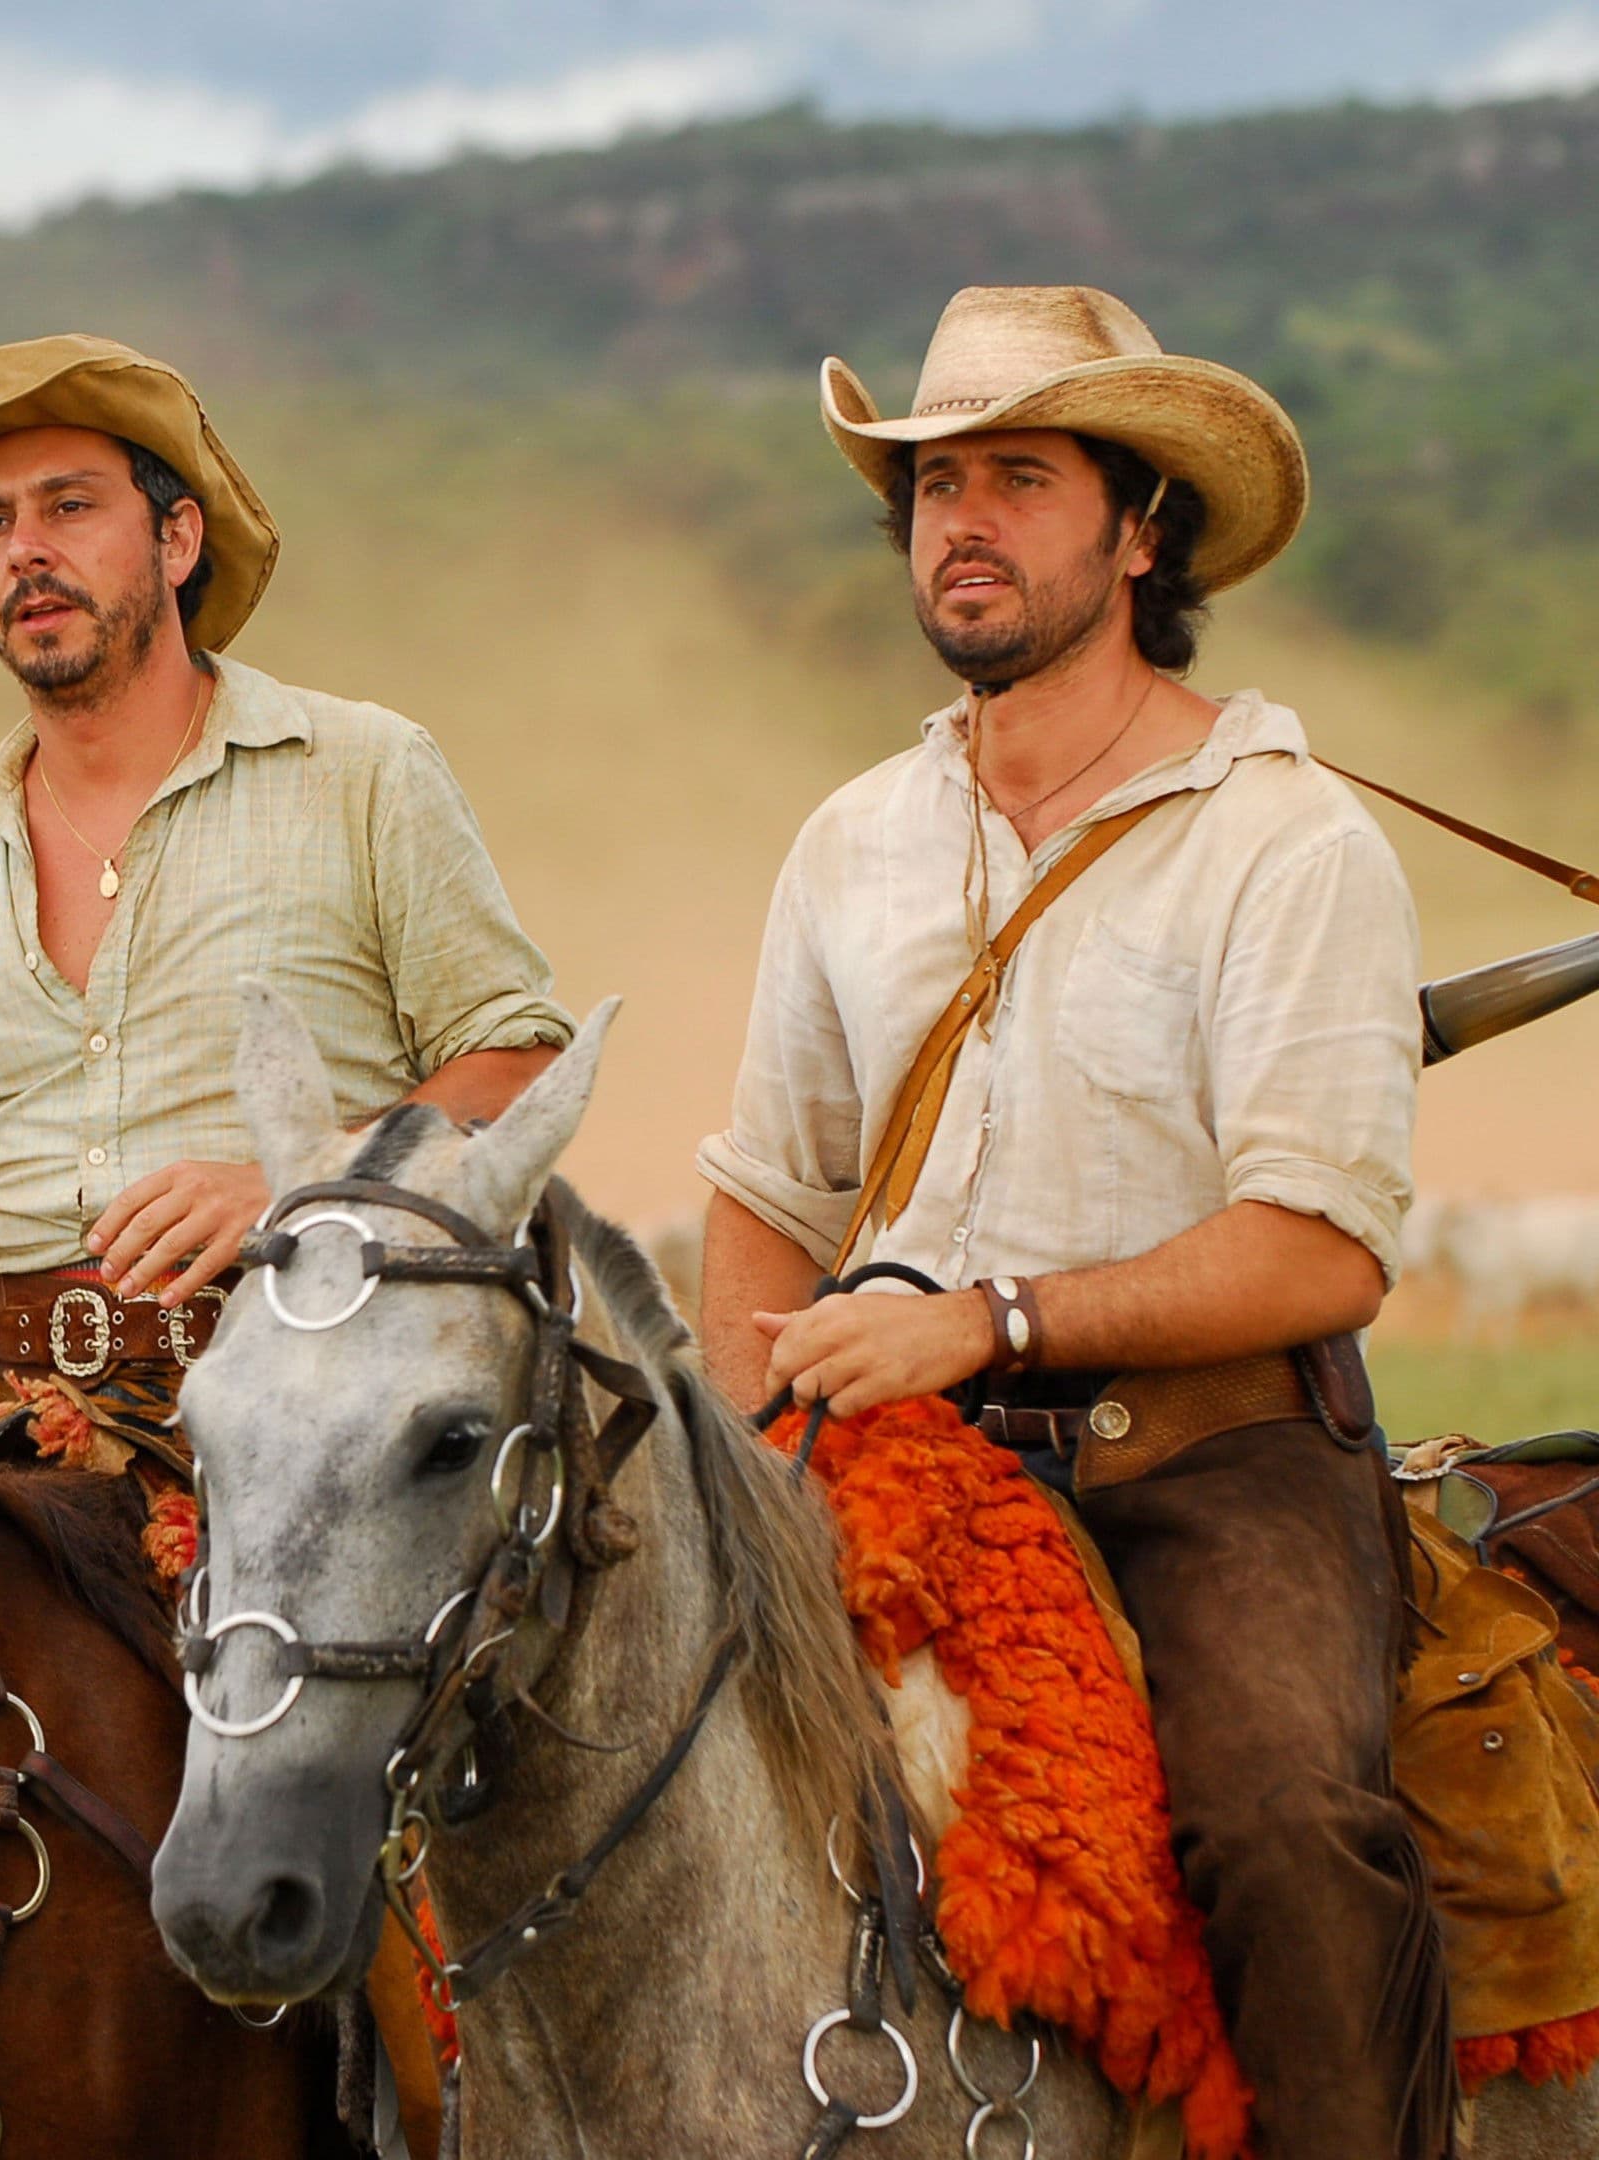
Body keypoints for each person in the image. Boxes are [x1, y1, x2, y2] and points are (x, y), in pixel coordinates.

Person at [694, 286, 1447, 2158]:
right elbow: (769, 1195)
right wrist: (742, 1459)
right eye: (937, 485)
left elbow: (1320, 1248)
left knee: (1287, 1826)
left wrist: (990, 1321)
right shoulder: (853, 839)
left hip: (1210, 1460)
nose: (963, 522)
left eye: (1020, 479)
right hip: (886, 1461)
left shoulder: (1288, 839)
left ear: (1142, 530)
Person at [0, 333, 570, 1485]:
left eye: (70, 506)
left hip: (320, 1411)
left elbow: (518, 1065)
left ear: (177, 539)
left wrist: (311, 1178)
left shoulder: (362, 773)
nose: (26, 549)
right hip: (11, 1436)